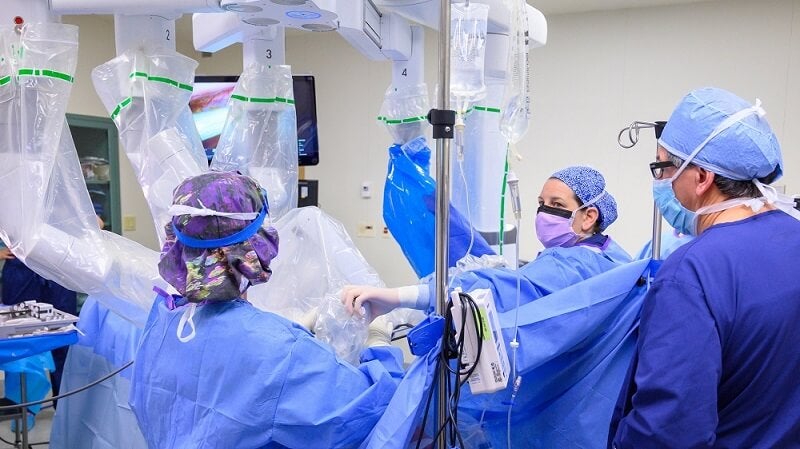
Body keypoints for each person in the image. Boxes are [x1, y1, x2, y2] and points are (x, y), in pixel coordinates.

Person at [129, 171, 405, 449]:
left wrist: (293, 335)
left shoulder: (163, 319)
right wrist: (378, 340)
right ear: (257, 244)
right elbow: (375, 412)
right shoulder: (281, 351)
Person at [609, 87, 800, 448]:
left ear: (701, 177)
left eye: (663, 167)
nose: (661, 181)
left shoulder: (693, 272)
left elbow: (668, 431)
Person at [343, 165, 631, 317]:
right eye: (541, 203)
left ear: (589, 215)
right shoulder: (612, 255)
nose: (543, 212)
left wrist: (398, 297)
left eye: (555, 203)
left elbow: (499, 291)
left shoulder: (574, 264)